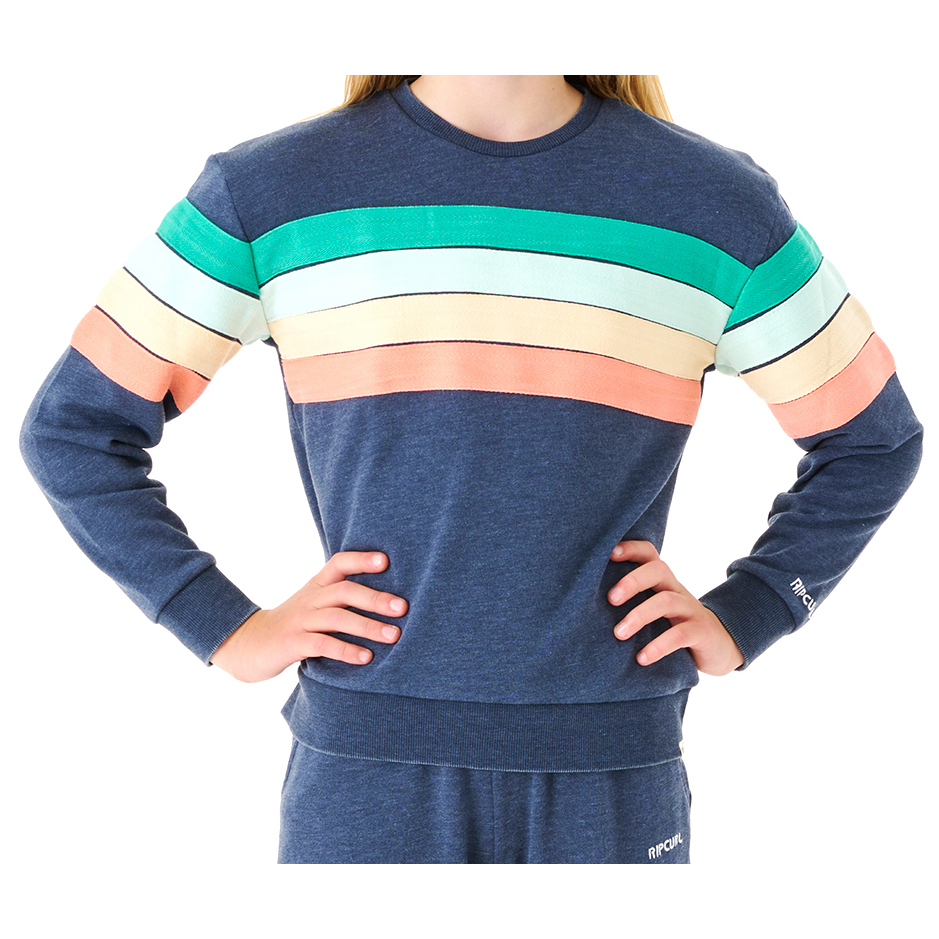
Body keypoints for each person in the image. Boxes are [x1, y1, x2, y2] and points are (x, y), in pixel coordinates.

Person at [19, 74, 923, 864]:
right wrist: (221, 625)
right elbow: (73, 429)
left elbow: (874, 439)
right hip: (367, 773)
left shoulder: (712, 202)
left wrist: (757, 607)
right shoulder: (269, 192)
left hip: (609, 767)